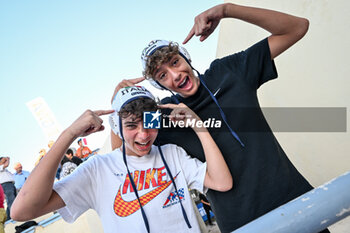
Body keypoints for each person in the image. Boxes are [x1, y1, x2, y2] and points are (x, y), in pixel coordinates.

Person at [111, 3, 329, 233]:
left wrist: (227, 10)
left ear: (185, 57)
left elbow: (296, 28)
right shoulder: (168, 116)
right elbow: (123, 153)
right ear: (159, 85)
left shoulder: (228, 73)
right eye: (162, 75)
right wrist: (118, 103)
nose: (175, 75)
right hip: (242, 225)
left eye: (175, 62)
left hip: (295, 202)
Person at [10, 86, 232, 233]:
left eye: (149, 124)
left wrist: (199, 126)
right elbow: (21, 211)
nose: (144, 135)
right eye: (132, 125)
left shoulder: (172, 153)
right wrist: (69, 134)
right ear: (118, 126)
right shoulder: (98, 170)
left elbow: (222, 183)